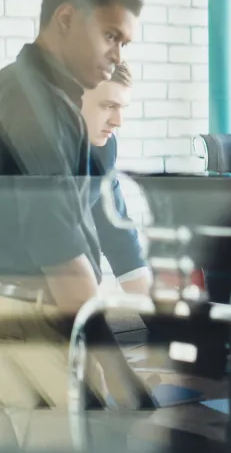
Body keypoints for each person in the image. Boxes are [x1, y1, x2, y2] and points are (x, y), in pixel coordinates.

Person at [0, 0, 154, 411]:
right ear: (65, 19)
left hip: (48, 320)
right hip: (24, 325)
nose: (118, 56)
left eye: (124, 44)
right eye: (111, 37)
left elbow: (114, 233)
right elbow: (61, 252)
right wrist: (119, 373)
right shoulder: (27, 102)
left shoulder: (60, 107)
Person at [82, 61, 151, 295]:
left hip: (74, 296)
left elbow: (118, 234)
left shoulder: (103, 148)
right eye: (108, 105)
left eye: (121, 107)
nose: (118, 121)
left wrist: (156, 320)